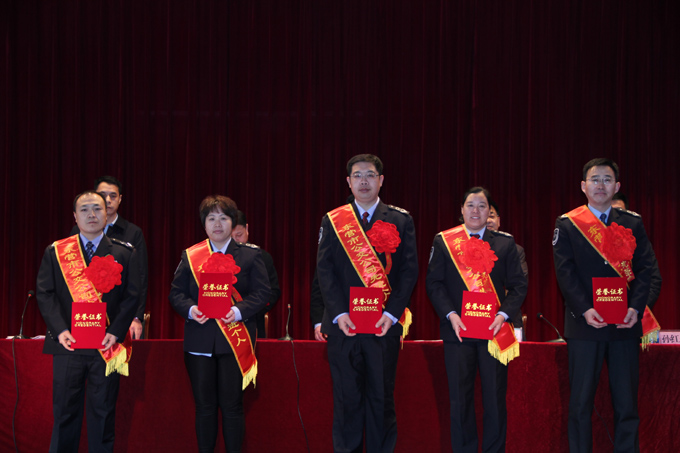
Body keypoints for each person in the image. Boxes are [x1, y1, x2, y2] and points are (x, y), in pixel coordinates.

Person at [553, 158, 657, 452]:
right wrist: (585, 309)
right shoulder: (568, 224)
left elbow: (645, 269)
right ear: (583, 186)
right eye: (595, 179)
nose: (601, 185)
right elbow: (565, 273)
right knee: (580, 404)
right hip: (585, 325)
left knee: (627, 405)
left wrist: (635, 309)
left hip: (625, 325)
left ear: (617, 186)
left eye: (607, 179)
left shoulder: (632, 222)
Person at [316, 154, 418, 452]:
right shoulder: (334, 220)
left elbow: (409, 272)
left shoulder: (400, 219)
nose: (364, 181)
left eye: (370, 175)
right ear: (348, 182)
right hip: (344, 327)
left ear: (381, 180)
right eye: (357, 175)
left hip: (382, 326)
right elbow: (325, 271)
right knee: (346, 402)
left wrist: (392, 314)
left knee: (381, 400)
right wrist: (338, 314)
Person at [36, 190, 141, 452]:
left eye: (97, 208)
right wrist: (60, 330)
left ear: (107, 214)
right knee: (64, 413)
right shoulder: (57, 251)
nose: (91, 214)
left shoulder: (124, 252)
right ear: (75, 216)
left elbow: (132, 297)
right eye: (84, 209)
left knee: (103, 414)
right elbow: (45, 293)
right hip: (68, 345)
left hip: (106, 345)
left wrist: (116, 331)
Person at [427, 187, 527, 453]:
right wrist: (451, 315)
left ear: (489, 211)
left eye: (482, 206)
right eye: (470, 205)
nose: (475, 211)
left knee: (494, 399)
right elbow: (434, 284)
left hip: (494, 331)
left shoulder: (505, 244)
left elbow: (518, 286)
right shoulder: (444, 241)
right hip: (458, 332)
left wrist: (502, 315)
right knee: (460, 400)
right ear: (461, 210)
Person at [169, 195, 270, 452]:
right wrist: (191, 309)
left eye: (223, 218)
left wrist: (238, 311)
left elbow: (262, 293)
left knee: (232, 406)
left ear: (233, 222)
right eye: (211, 218)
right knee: (204, 407)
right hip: (200, 340)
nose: (217, 224)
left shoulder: (250, 255)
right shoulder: (191, 255)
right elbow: (176, 293)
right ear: (203, 224)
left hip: (236, 339)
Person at [71, 176, 148, 339]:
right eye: (102, 195)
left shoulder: (132, 232)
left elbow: (140, 278)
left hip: (118, 314)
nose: (107, 200)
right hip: (83, 316)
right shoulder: (76, 232)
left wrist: (136, 317)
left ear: (120, 199)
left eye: (113, 196)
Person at [231, 209, 281, 338]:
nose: (236, 241)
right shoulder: (218, 258)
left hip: (253, 320)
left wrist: (251, 310)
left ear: (247, 229)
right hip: (223, 322)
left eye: (239, 235)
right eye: (231, 237)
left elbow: (273, 291)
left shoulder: (261, 257)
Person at [486, 199, 529, 341]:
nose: (488, 220)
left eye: (492, 216)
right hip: (475, 315)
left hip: (508, 316)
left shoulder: (515, 250)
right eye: (485, 216)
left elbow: (519, 284)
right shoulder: (467, 250)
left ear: (498, 221)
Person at [611, 192, 662, 309]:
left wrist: (637, 309)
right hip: (597, 312)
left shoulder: (639, 243)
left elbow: (653, 280)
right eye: (611, 212)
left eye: (619, 211)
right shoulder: (591, 243)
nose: (615, 217)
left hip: (632, 312)